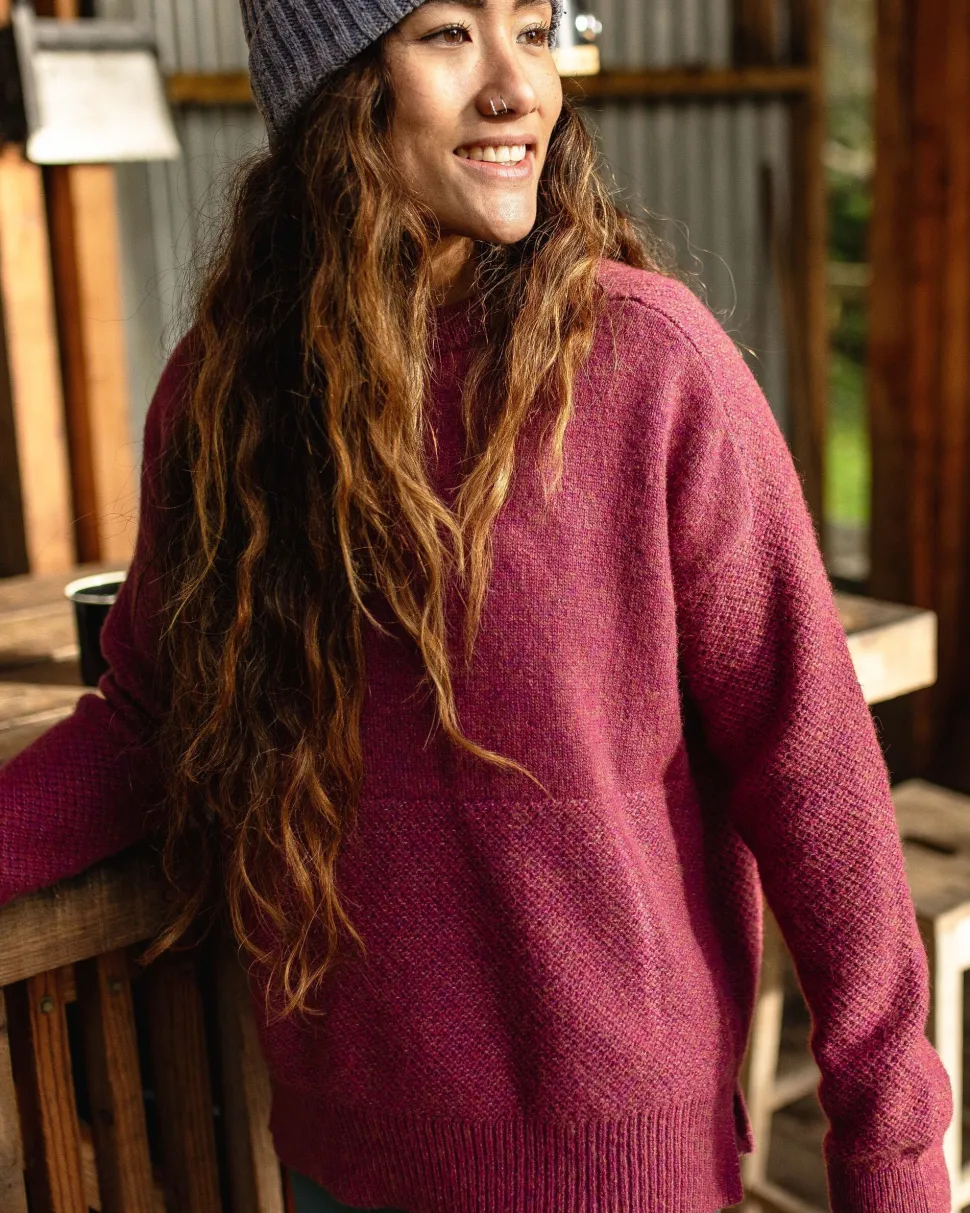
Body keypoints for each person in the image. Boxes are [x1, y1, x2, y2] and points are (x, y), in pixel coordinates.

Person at [0, 0, 953, 1210]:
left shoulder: (649, 365)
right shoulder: (226, 392)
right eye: (450, 33)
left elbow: (808, 761)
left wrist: (892, 1157)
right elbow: (150, 723)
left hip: (613, 1169)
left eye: (534, 30)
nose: (519, 90)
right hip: (342, 1161)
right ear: (335, 87)